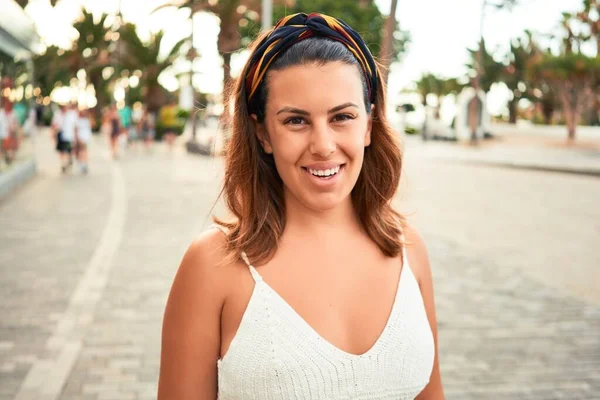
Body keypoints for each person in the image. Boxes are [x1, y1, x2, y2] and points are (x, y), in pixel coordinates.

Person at [158, 13, 444, 400]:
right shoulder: (213, 266)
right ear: (262, 134)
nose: (323, 145)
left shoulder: (408, 249)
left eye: (342, 116)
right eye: (296, 121)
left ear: (370, 125)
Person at [0, 100, 20, 165]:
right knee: (4, 148)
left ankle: (10, 160)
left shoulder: (13, 113)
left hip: (11, 133)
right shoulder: (1, 113)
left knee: (11, 148)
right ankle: (6, 158)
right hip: (3, 133)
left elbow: (16, 123)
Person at [74, 108, 93, 174]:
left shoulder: (87, 120)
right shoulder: (77, 120)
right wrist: (76, 138)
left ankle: (83, 163)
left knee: (83, 150)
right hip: (80, 137)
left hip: (86, 137)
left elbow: (92, 125)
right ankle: (82, 163)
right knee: (81, 151)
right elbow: (75, 129)